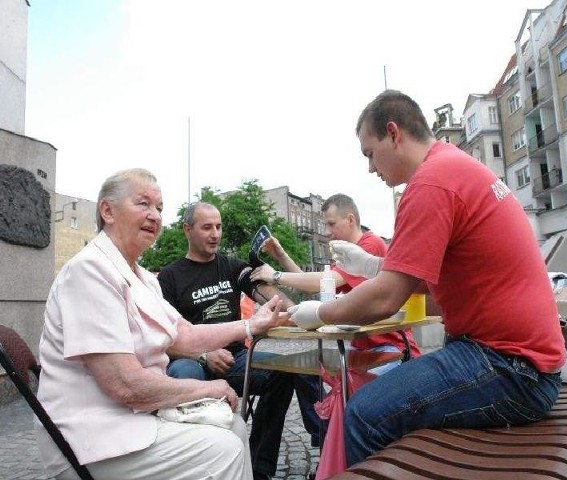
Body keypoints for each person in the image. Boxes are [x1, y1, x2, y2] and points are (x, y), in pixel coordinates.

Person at [289, 90, 567, 466]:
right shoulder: (453, 166)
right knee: (394, 402)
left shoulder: (430, 183)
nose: (371, 168)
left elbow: (386, 299)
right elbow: (420, 284)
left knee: (364, 414)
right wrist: (373, 266)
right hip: (523, 362)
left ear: (393, 133)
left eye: (370, 153)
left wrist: (320, 315)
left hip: (511, 368)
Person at [36, 168, 288, 480]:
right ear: (107, 211)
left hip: (131, 418)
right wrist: (207, 388)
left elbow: (183, 334)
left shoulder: (140, 276)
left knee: (235, 426)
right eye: (143, 204)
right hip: (93, 435)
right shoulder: (90, 271)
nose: (154, 215)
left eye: (159, 208)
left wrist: (250, 326)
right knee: (225, 448)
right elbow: (124, 385)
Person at [157, 202, 320, 479]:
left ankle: (259, 468)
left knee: (286, 371)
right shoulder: (169, 277)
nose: (215, 234)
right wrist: (203, 355)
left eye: (218, 227)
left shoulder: (232, 267)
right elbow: (163, 336)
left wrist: (295, 309)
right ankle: (199, 465)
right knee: (184, 373)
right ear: (187, 230)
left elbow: (268, 295)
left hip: (236, 359)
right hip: (191, 360)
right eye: (207, 227)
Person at [250, 193, 420, 375]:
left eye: (331, 224)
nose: (326, 232)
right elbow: (321, 286)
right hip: (362, 348)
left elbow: (323, 281)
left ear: (350, 220)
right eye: (325, 225)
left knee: (344, 389)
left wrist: (276, 275)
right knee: (307, 375)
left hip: (391, 348)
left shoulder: (370, 245)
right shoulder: (345, 254)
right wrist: (281, 256)